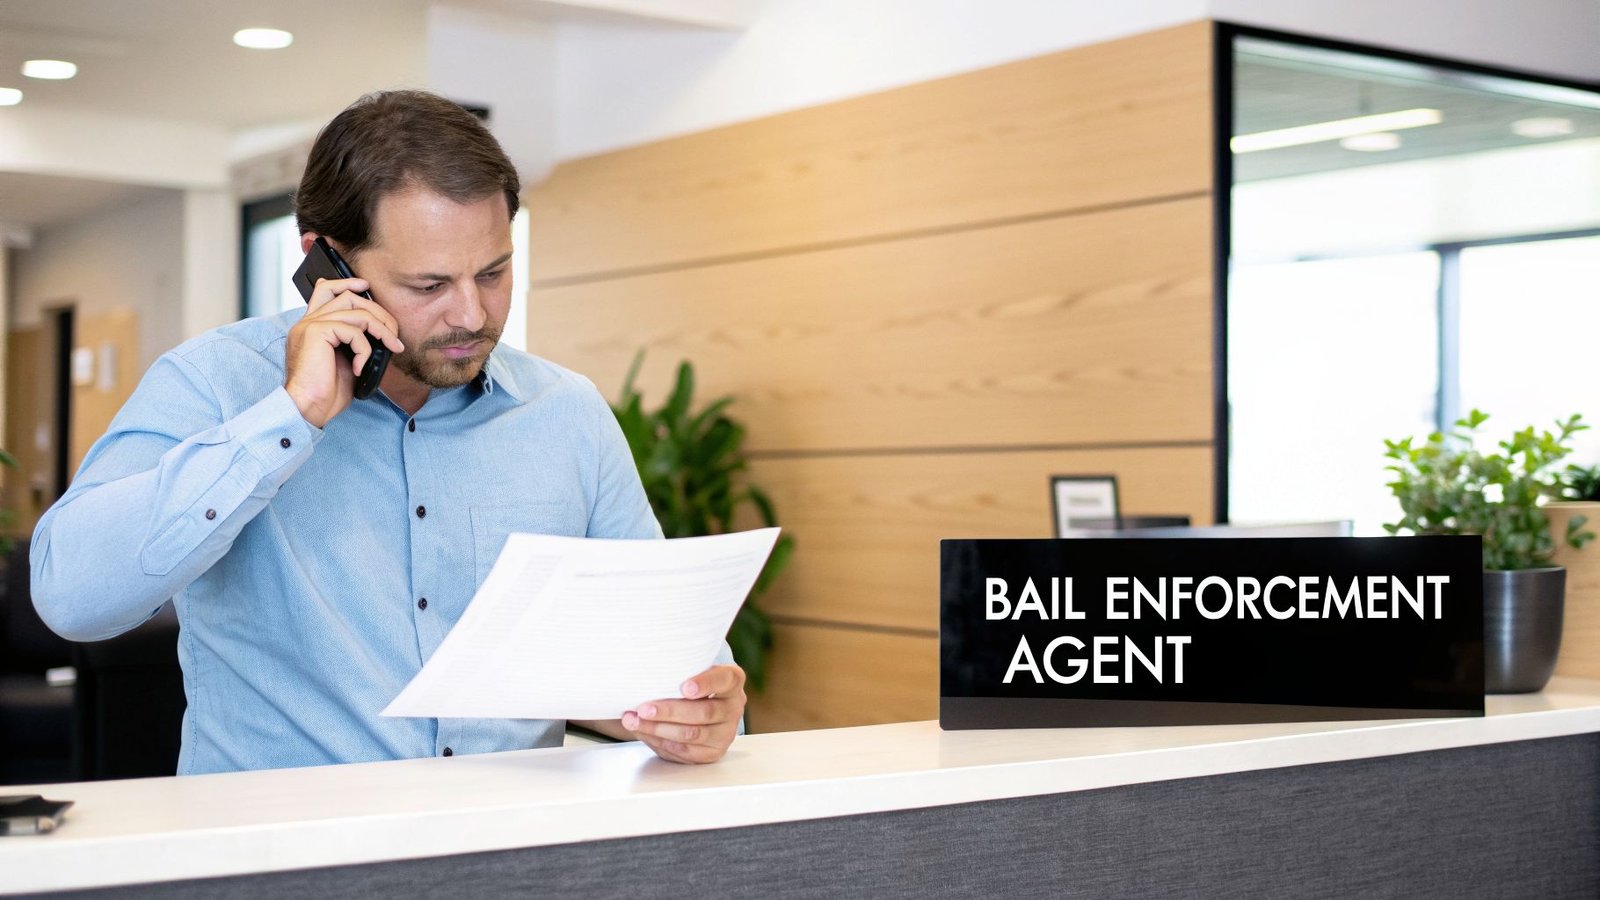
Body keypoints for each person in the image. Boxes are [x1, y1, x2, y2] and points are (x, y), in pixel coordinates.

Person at [30, 90, 745, 775]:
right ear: (324, 262)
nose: (471, 314)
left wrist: (694, 712)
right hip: (279, 861)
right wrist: (290, 417)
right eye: (429, 286)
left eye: (494, 272)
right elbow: (72, 599)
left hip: (508, 856)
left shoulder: (568, 413)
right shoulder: (216, 382)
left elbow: (663, 657)